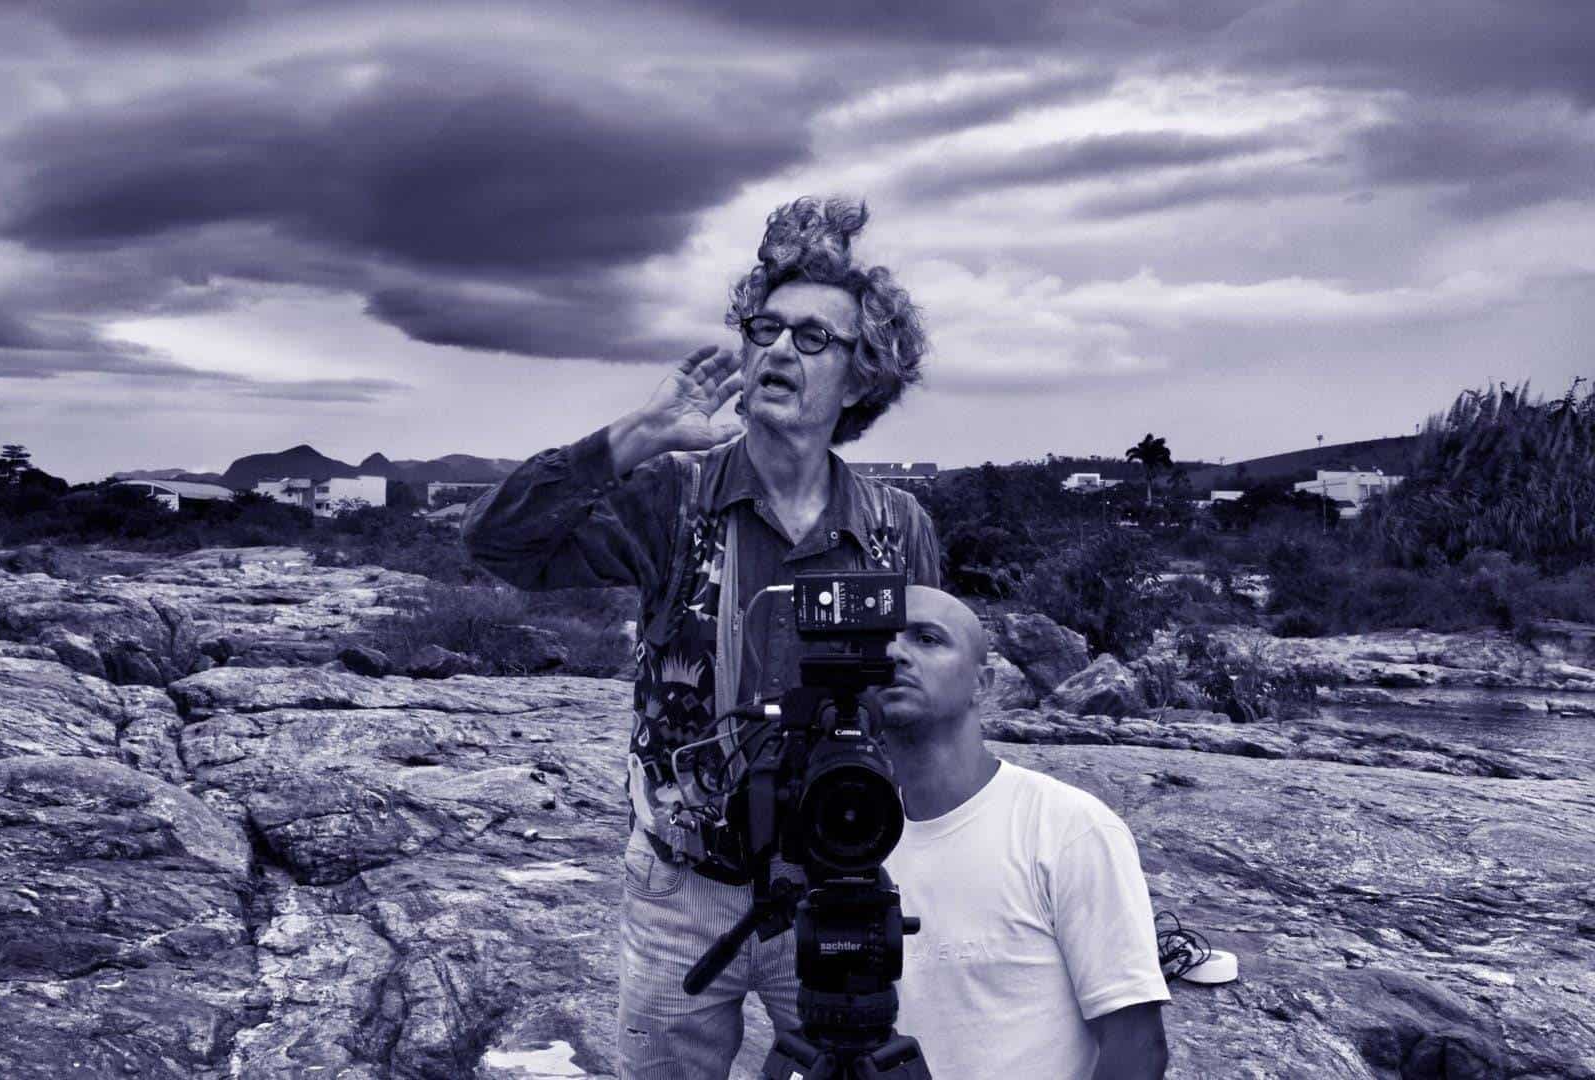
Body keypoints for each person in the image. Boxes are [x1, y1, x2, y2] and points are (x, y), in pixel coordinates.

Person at [464, 196, 941, 1078]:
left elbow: (928, 710)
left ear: (861, 378)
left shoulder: (898, 528)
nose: (778, 350)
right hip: (679, 891)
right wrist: (634, 438)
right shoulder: (673, 499)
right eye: (765, 329)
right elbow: (498, 544)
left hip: (836, 888)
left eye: (813, 337)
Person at [877, 585, 1171, 1079]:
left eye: (927, 639)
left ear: (984, 683)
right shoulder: (855, 840)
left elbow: (1136, 1045)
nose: (894, 653)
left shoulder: (1068, 827)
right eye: (879, 640)